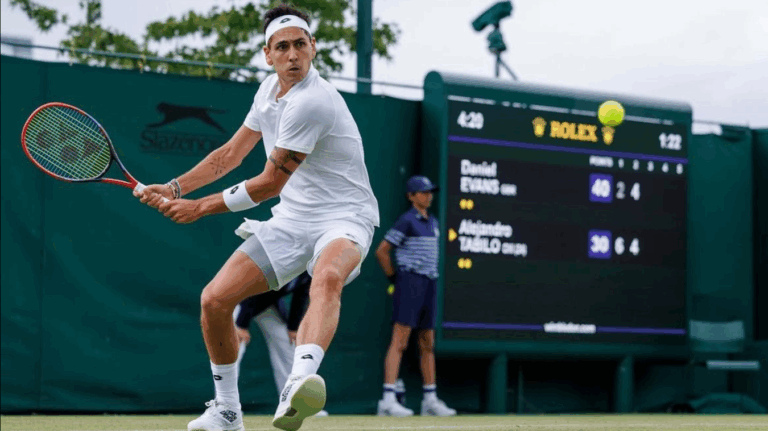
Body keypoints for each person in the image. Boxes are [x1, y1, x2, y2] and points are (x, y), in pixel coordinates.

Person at [134, 4, 379, 430]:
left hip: (346, 216)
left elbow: (268, 184)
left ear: (313, 47)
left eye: (300, 45)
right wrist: (175, 189)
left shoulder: (313, 102)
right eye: (282, 47)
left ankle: (298, 381)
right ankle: (227, 411)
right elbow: (229, 155)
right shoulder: (267, 91)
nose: (292, 55)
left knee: (327, 277)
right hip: (292, 221)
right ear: (268, 55)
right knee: (214, 301)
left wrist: (198, 207)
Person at [374, 175, 456, 417]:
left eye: (430, 191)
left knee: (427, 342)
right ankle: (387, 400)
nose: (428, 195)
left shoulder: (433, 222)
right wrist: (394, 280)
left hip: (430, 283)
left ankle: (430, 399)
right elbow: (382, 251)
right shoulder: (406, 220)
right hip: (409, 282)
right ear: (411, 196)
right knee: (399, 341)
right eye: (423, 192)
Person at [232, 272, 328, 417]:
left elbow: (300, 296)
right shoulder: (287, 258)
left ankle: (294, 405)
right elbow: (252, 288)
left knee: (289, 349)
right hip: (240, 301)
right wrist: (241, 324)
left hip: (268, 305)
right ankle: (227, 407)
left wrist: (293, 328)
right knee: (233, 351)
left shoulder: (308, 270)